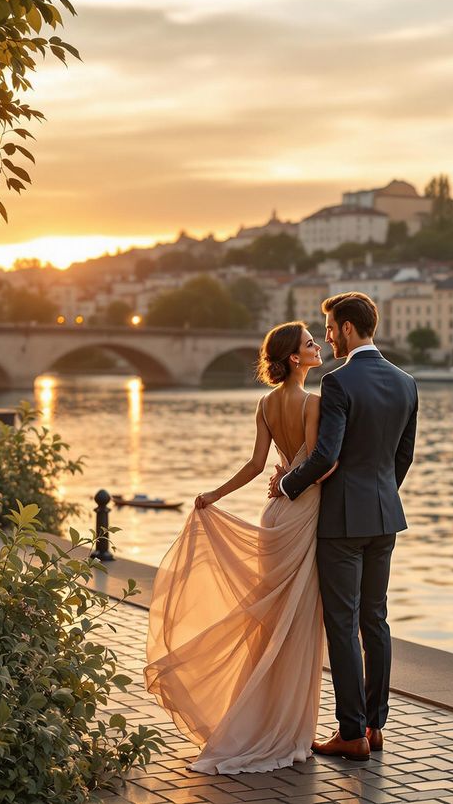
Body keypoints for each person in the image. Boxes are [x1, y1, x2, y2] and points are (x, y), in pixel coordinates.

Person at [145, 321, 331, 774]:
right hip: (303, 512)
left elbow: (254, 465)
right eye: (310, 343)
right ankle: (287, 729)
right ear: (294, 358)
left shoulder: (267, 404)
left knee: (271, 623)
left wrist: (214, 495)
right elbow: (319, 465)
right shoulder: (313, 403)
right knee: (297, 625)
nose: (317, 345)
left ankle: (256, 717)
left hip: (274, 514)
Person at [270, 291, 418, 762]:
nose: (328, 337)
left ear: (348, 329)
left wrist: (287, 487)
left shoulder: (338, 383)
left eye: (330, 329)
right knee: (376, 620)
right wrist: (378, 496)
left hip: (342, 524)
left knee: (342, 622)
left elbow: (326, 456)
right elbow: (402, 458)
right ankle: (376, 727)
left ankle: (350, 732)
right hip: (385, 516)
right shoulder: (406, 383)